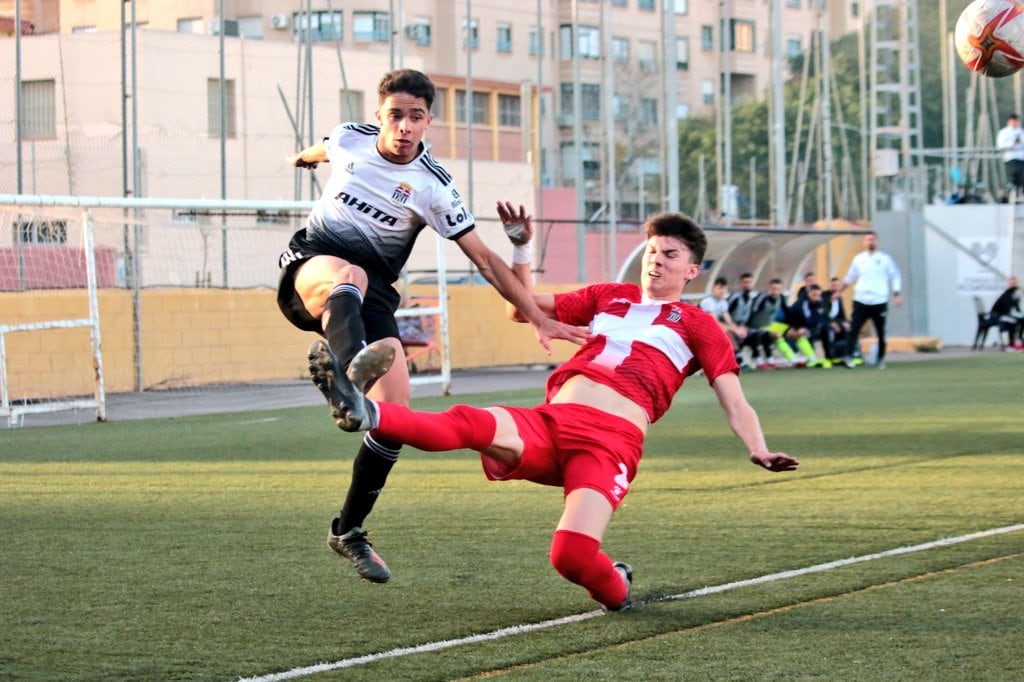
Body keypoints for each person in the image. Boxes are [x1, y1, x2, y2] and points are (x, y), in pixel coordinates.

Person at [307, 210, 799, 610]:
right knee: (468, 422)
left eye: (670, 255)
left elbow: (735, 400)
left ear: (692, 270)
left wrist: (759, 448)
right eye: (652, 251)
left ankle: (618, 588)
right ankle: (365, 411)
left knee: (571, 557)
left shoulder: (699, 325)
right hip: (553, 420)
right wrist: (522, 248)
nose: (656, 261)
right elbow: (520, 308)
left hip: (611, 443)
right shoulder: (609, 296)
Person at [277, 69, 588, 584]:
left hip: (373, 291)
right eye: (395, 115)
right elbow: (322, 148)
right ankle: (352, 375)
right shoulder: (350, 138)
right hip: (314, 264)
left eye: (415, 117)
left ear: (429, 122)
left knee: (396, 415)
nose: (403, 126)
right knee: (345, 276)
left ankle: (348, 530)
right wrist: (299, 157)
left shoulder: (434, 187)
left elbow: (485, 260)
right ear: (379, 115)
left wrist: (536, 313)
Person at [839, 231, 902, 370]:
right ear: (864, 242)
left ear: (877, 241)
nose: (870, 242)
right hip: (861, 300)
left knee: (881, 331)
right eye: (868, 239)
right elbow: (850, 276)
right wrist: (839, 291)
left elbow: (895, 275)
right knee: (854, 329)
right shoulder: (859, 259)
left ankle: (880, 358)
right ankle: (848, 356)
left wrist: (896, 293)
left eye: (872, 239)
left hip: (879, 300)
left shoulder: (885, 259)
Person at [700, 276, 747, 363]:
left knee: (739, 332)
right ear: (713, 288)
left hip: (712, 328)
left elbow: (728, 320)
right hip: (700, 329)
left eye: (724, 288)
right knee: (726, 331)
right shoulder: (707, 301)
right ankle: (737, 357)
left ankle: (736, 357)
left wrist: (737, 330)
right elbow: (713, 322)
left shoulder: (723, 302)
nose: (722, 291)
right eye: (720, 288)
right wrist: (731, 329)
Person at [822, 276, 854, 362]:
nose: (834, 287)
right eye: (833, 285)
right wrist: (833, 323)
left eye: (837, 285)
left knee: (851, 327)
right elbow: (824, 313)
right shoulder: (824, 296)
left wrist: (845, 323)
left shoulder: (839, 299)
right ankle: (830, 356)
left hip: (838, 322)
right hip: (826, 322)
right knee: (829, 330)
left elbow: (842, 315)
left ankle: (849, 353)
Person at [990, 275, 1024, 350]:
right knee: (1013, 321)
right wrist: (1018, 315)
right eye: (1012, 283)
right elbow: (1009, 311)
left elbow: (1016, 308)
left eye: (1015, 283)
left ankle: (1019, 340)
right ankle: (1009, 344)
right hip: (997, 315)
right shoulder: (1006, 295)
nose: (1014, 285)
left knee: (1021, 320)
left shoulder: (1015, 294)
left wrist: (1021, 315)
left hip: (1005, 314)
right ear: (1008, 284)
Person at [996, 113, 1024, 197]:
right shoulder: (1004, 132)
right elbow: (1000, 146)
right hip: (1010, 158)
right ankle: (1012, 197)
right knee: (1012, 179)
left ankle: (1021, 196)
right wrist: (1012, 143)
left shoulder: (1021, 132)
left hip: (1022, 159)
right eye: (1013, 121)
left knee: (1022, 179)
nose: (1015, 123)